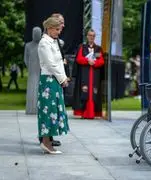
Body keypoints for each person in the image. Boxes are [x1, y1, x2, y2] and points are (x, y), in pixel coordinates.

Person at [37, 17, 70, 154]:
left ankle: (48, 143)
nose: (58, 32)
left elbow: (59, 62)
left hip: (54, 80)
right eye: (56, 29)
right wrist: (62, 79)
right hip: (49, 81)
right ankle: (46, 143)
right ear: (49, 28)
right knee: (48, 111)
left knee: (54, 111)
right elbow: (51, 64)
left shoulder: (53, 41)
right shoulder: (44, 43)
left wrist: (63, 78)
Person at [72, 29, 105, 119]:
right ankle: (83, 112)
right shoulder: (82, 47)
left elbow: (101, 61)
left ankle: (93, 113)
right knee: (84, 92)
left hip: (95, 74)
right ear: (87, 36)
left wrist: (94, 63)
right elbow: (79, 59)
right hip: (84, 74)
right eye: (90, 35)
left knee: (94, 92)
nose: (91, 37)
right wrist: (88, 61)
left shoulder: (98, 49)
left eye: (93, 36)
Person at [24, 27, 42, 115]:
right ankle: (30, 108)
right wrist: (30, 66)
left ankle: (39, 108)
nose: (36, 35)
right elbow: (25, 59)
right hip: (32, 70)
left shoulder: (43, 45)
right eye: (35, 33)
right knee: (31, 89)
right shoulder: (28, 45)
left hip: (41, 70)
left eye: (38, 33)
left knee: (40, 88)